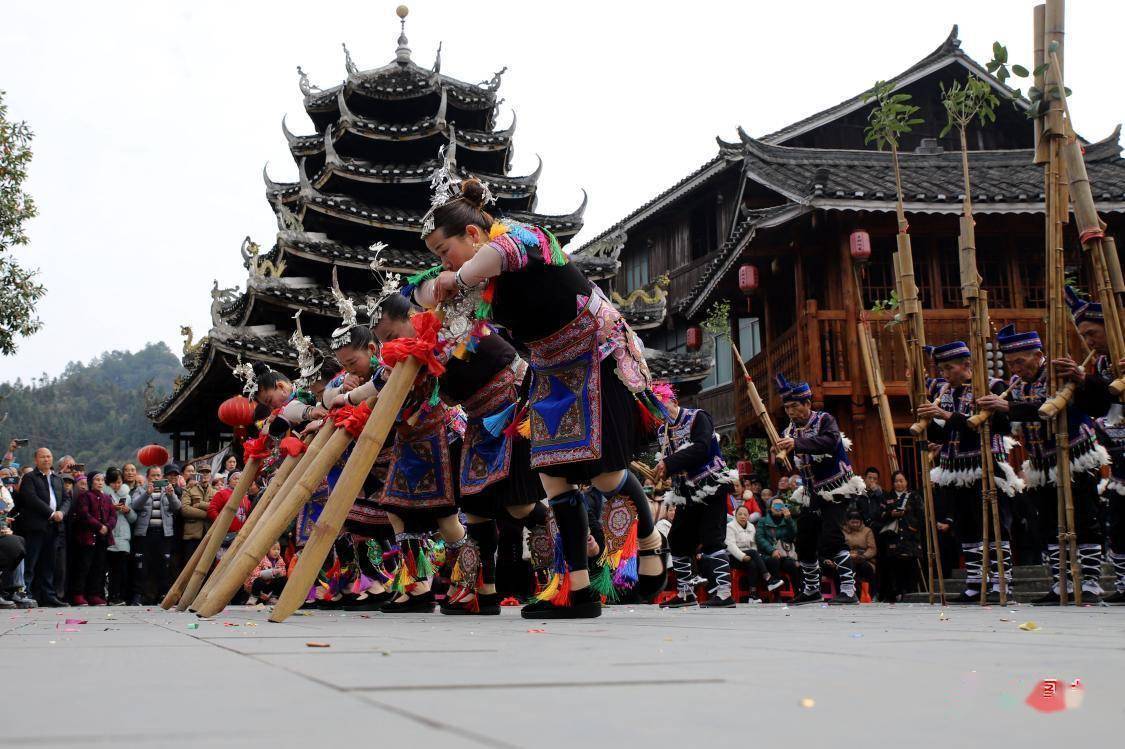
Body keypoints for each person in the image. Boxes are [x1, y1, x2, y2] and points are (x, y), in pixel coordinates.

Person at [414, 176, 667, 618]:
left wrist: (457, 275)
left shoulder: (519, 237)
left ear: (472, 233)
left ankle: (649, 539)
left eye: (443, 251)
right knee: (553, 477)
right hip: (549, 371)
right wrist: (436, 284)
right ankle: (577, 590)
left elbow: (498, 255)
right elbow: (417, 295)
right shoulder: (478, 284)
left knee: (606, 477)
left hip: (594, 355)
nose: (443, 263)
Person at [372, 293, 550, 615]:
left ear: (412, 316)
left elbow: (464, 352)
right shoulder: (417, 354)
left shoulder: (450, 328)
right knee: (477, 506)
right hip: (479, 419)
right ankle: (484, 591)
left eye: (391, 336)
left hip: (512, 405)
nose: (390, 346)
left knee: (519, 503)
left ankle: (555, 578)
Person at [978, 324, 1110, 604]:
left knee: (1084, 521)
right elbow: (1013, 422)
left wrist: (1081, 377)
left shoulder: (1058, 375)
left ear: (1038, 355)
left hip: (1075, 457)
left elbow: (1048, 409)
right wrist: (991, 417)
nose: (1016, 368)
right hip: (1040, 464)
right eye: (1011, 363)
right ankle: (1060, 582)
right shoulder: (1017, 386)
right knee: (1049, 525)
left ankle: (1089, 582)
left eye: (1021, 361)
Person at [918, 340, 1021, 603]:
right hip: (955, 468)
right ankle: (976, 582)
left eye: (949, 368)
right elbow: (944, 433)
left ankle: (1001, 583)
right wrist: (929, 423)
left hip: (986, 464)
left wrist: (943, 413)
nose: (944, 374)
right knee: (966, 527)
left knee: (995, 524)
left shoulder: (993, 386)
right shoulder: (944, 391)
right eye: (941, 369)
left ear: (967, 365)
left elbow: (990, 425)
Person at [774, 373, 867, 605]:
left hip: (835, 488)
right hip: (810, 492)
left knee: (832, 538)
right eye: (786, 408)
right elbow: (789, 463)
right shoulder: (791, 430)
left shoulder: (825, 420)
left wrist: (796, 444)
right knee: (804, 538)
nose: (790, 412)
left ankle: (848, 589)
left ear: (807, 403)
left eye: (794, 406)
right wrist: (780, 459)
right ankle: (812, 589)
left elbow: (829, 442)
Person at [1059, 287, 1125, 604]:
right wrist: (1082, 380)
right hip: (1118, 456)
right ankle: (1124, 584)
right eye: (1083, 336)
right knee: (1119, 524)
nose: (1088, 342)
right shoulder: (1099, 365)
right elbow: (1098, 406)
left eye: (1092, 333)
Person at [652, 382, 735, 608]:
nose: (661, 411)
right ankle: (686, 592)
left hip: (711, 486)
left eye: (663, 405)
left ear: (674, 402)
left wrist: (669, 463)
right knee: (678, 540)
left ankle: (724, 593)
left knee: (712, 538)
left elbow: (701, 448)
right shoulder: (662, 432)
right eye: (656, 408)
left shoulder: (698, 417)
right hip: (685, 493)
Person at [13, 447, 68, 606]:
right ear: (36, 460)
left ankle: (48, 595)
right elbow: (31, 499)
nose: (46, 459)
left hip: (54, 526)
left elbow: (66, 499)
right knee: (31, 562)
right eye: (43, 457)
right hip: (36, 526)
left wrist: (62, 513)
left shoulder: (58, 478)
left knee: (49, 563)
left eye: (49, 456)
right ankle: (26, 593)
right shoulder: (30, 478)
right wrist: (51, 513)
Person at [129, 465, 181, 605]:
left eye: (158, 475)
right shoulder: (141, 489)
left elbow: (177, 507)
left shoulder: (167, 490)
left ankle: (163, 594)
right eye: (153, 476)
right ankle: (139, 595)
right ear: (147, 477)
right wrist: (147, 493)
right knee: (142, 565)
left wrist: (171, 495)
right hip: (145, 533)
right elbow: (135, 506)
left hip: (164, 533)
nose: (156, 478)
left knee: (164, 564)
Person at [71, 471, 116, 606]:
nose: (100, 482)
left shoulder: (107, 497)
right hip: (88, 537)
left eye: (102, 480)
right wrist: (99, 526)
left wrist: (107, 526)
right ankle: (78, 594)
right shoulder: (85, 497)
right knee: (84, 566)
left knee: (99, 567)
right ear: (91, 482)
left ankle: (94, 594)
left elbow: (113, 516)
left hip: (103, 538)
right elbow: (84, 515)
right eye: (97, 480)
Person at [876, 471, 922, 602]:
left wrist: (914, 528)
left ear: (906, 482)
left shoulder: (914, 496)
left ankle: (909, 593)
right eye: (896, 481)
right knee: (893, 566)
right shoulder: (887, 497)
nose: (899, 483)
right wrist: (891, 514)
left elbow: (921, 516)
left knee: (909, 565)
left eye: (901, 480)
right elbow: (879, 515)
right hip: (893, 537)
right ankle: (894, 593)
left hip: (910, 536)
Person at [725, 505, 778, 601]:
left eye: (745, 514)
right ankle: (768, 579)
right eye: (740, 514)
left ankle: (752, 594)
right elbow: (730, 546)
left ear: (748, 516)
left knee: (753, 564)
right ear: (735, 515)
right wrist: (742, 556)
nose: (742, 516)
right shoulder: (730, 527)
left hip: (750, 556)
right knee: (753, 553)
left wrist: (749, 556)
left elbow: (753, 544)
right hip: (734, 557)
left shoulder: (751, 526)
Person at [104, 467, 135, 605]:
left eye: (119, 482)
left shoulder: (127, 497)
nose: (117, 485)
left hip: (123, 535)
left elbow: (133, 518)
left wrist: (127, 510)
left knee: (121, 570)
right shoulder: (105, 496)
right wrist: (112, 508)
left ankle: (119, 595)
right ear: (108, 483)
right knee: (111, 569)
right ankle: (111, 596)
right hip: (110, 535)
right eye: (114, 482)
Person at [755, 499, 799, 591]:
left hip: (784, 554)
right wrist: (772, 550)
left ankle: (797, 593)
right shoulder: (762, 521)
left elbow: (792, 536)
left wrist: (789, 520)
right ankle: (776, 595)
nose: (778, 508)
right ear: (770, 508)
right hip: (767, 554)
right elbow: (760, 538)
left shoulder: (787, 520)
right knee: (774, 561)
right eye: (775, 505)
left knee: (791, 564)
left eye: (780, 505)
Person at [178, 462, 211, 570]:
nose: (205, 475)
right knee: (189, 566)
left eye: (207, 472)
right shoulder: (189, 489)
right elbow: (185, 510)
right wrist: (207, 514)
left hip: (208, 534)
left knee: (206, 567)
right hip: (192, 535)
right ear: (197, 475)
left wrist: (199, 504)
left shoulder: (216, 492)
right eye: (202, 473)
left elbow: (218, 509)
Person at [842, 510, 876, 596]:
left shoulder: (867, 531)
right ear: (847, 522)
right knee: (848, 568)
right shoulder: (842, 531)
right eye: (852, 522)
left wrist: (863, 556)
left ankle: (868, 594)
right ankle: (849, 593)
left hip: (864, 558)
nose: (855, 525)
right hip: (848, 557)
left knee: (866, 568)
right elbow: (840, 547)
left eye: (857, 522)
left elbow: (872, 548)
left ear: (861, 522)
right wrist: (849, 555)